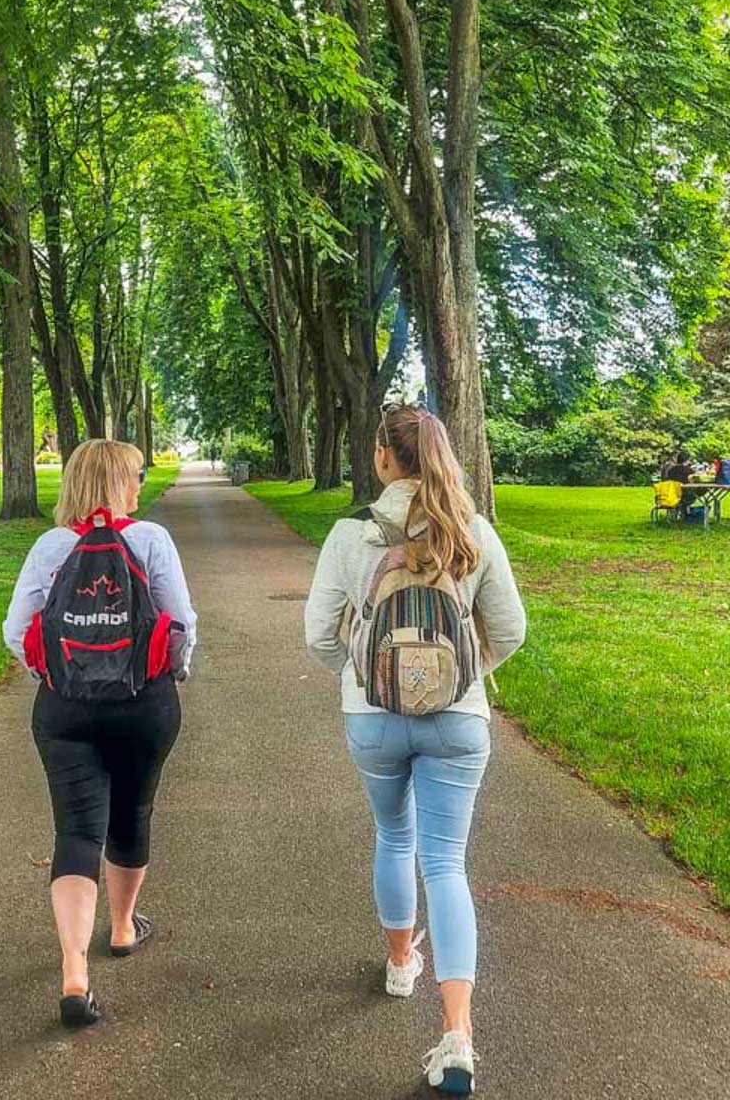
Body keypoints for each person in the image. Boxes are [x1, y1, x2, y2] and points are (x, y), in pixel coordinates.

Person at [304, 406, 525, 1095]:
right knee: (447, 863)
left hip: (371, 716)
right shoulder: (472, 531)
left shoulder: (349, 536)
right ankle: (457, 1035)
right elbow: (510, 630)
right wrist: (456, 678)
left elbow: (317, 637)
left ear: (382, 459)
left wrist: (367, 669)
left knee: (393, 836)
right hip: (458, 721)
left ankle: (401, 965)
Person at [3, 439, 197, 1026]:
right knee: (132, 814)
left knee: (76, 832)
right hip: (144, 704)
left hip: (66, 712)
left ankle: (73, 974)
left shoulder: (50, 546)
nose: (140, 484)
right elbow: (182, 625)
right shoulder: (151, 540)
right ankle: (120, 927)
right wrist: (171, 673)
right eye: (135, 475)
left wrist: (54, 676)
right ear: (119, 483)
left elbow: (16, 631)